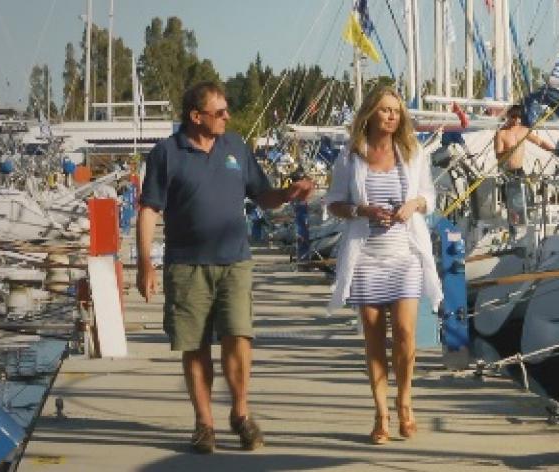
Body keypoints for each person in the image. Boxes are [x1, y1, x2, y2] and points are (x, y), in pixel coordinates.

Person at [136, 81, 314, 454]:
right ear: (195, 116)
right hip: (186, 266)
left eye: (226, 110)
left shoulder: (235, 147)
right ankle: (204, 424)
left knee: (239, 337)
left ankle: (240, 413)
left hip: (235, 261)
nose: (227, 117)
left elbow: (262, 196)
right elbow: (150, 209)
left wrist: (288, 193)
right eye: (219, 113)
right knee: (195, 346)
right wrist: (145, 264)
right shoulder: (166, 153)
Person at [324, 86, 443, 445]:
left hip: (404, 253)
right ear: (371, 113)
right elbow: (334, 203)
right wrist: (362, 210)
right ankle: (381, 415)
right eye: (385, 110)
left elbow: (430, 196)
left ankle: (405, 402)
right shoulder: (351, 155)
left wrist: (414, 206)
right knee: (374, 339)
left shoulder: (412, 151)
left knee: (406, 333)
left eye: (396, 111)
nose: (391, 116)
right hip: (367, 257)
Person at [494, 105, 555, 223]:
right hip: (507, 173)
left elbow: (540, 142)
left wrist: (554, 149)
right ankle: (513, 225)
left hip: (519, 170)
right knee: (512, 204)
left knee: (528, 199)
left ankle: (526, 223)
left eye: (518, 117)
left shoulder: (523, 130)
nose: (516, 120)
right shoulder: (501, 134)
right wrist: (509, 151)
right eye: (513, 117)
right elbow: (498, 156)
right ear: (508, 116)